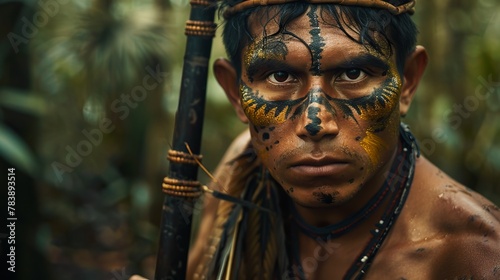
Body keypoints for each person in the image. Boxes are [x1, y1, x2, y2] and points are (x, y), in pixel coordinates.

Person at [132, 0, 500, 279]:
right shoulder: (240, 170)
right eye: (278, 76)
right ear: (234, 92)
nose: (316, 122)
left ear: (407, 82)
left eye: (353, 73)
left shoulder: (477, 256)